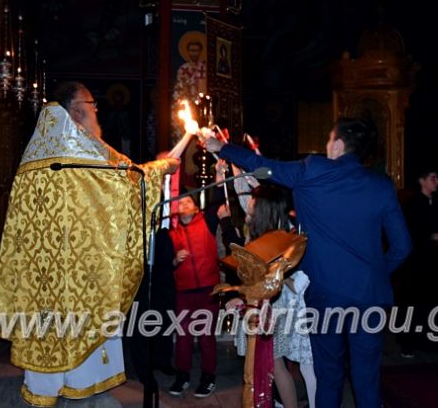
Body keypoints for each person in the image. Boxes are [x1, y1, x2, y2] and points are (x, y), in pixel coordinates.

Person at [0, 81, 178, 406]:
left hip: (40, 276)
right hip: (78, 277)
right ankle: (79, 387)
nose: (97, 112)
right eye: (93, 105)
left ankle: (48, 391)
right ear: (77, 110)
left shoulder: (34, 155)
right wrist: (161, 169)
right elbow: (126, 186)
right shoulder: (82, 155)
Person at [205, 117, 412, 408]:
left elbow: (259, 162)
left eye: (329, 139)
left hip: (327, 296)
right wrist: (374, 273)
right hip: (370, 298)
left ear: (338, 144)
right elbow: (402, 246)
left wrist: (220, 146)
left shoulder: (313, 170)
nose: (327, 146)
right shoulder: (381, 185)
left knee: (329, 377)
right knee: (367, 381)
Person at [220, 183, 317, 408]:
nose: (249, 202)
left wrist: (242, 296)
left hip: (269, 307)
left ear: (263, 206)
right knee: (263, 365)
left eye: (253, 199)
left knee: (274, 364)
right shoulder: (260, 230)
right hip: (259, 304)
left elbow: (260, 277)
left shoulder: (278, 238)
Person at [167, 162, 226, 398]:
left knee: (205, 337)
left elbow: (217, 199)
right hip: (183, 291)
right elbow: (163, 264)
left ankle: (208, 377)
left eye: (189, 201)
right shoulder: (170, 231)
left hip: (208, 290)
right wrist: (174, 261)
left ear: (194, 205)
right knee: (182, 337)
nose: (185, 205)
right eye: (180, 202)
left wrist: (219, 175)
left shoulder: (207, 220)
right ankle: (182, 377)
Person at [397, 168, 438, 357]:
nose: (437, 182)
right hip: (418, 262)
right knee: (414, 302)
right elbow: (408, 232)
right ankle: (409, 343)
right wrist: (432, 236)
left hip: (437, 262)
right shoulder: (411, 205)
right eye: (433, 178)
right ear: (422, 180)